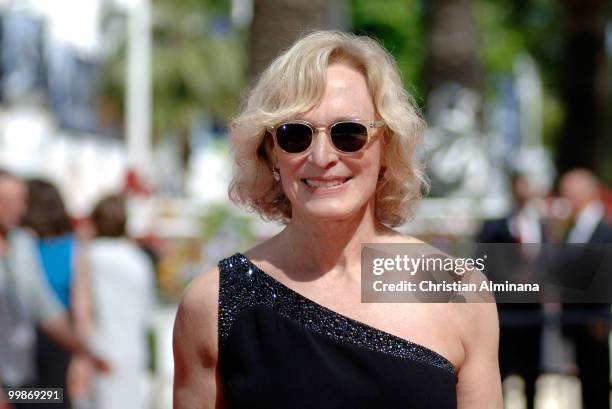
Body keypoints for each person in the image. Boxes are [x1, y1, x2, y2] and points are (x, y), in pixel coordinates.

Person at [173, 31, 502, 408]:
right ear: (270, 153)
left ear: (387, 146)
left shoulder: (458, 294)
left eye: (349, 134)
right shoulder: (212, 303)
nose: (322, 156)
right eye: (295, 134)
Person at [0, 169, 108, 408]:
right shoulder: (70, 246)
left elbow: (42, 305)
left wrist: (83, 353)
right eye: (11, 201)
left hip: (29, 367)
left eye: (23, 201)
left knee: (50, 399)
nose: (21, 209)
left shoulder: (22, 242)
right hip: (26, 365)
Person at [71, 194, 156, 409]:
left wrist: (81, 353)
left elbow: (81, 307)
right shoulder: (139, 258)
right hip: (133, 351)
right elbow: (147, 309)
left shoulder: (89, 254)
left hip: (101, 350)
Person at [478, 172, 546, 409]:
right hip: (504, 312)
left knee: (532, 373)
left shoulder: (542, 225)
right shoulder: (494, 227)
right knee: (501, 371)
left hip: (533, 312)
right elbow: (483, 265)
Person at [21, 179, 79, 408]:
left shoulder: (20, 247)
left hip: (28, 342)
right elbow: (81, 308)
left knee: (27, 399)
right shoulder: (74, 248)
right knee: (55, 400)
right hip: (62, 343)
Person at [558, 168, 612, 409]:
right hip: (579, 321)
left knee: (598, 386)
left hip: (597, 322)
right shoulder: (574, 228)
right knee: (587, 385)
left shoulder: (604, 228)